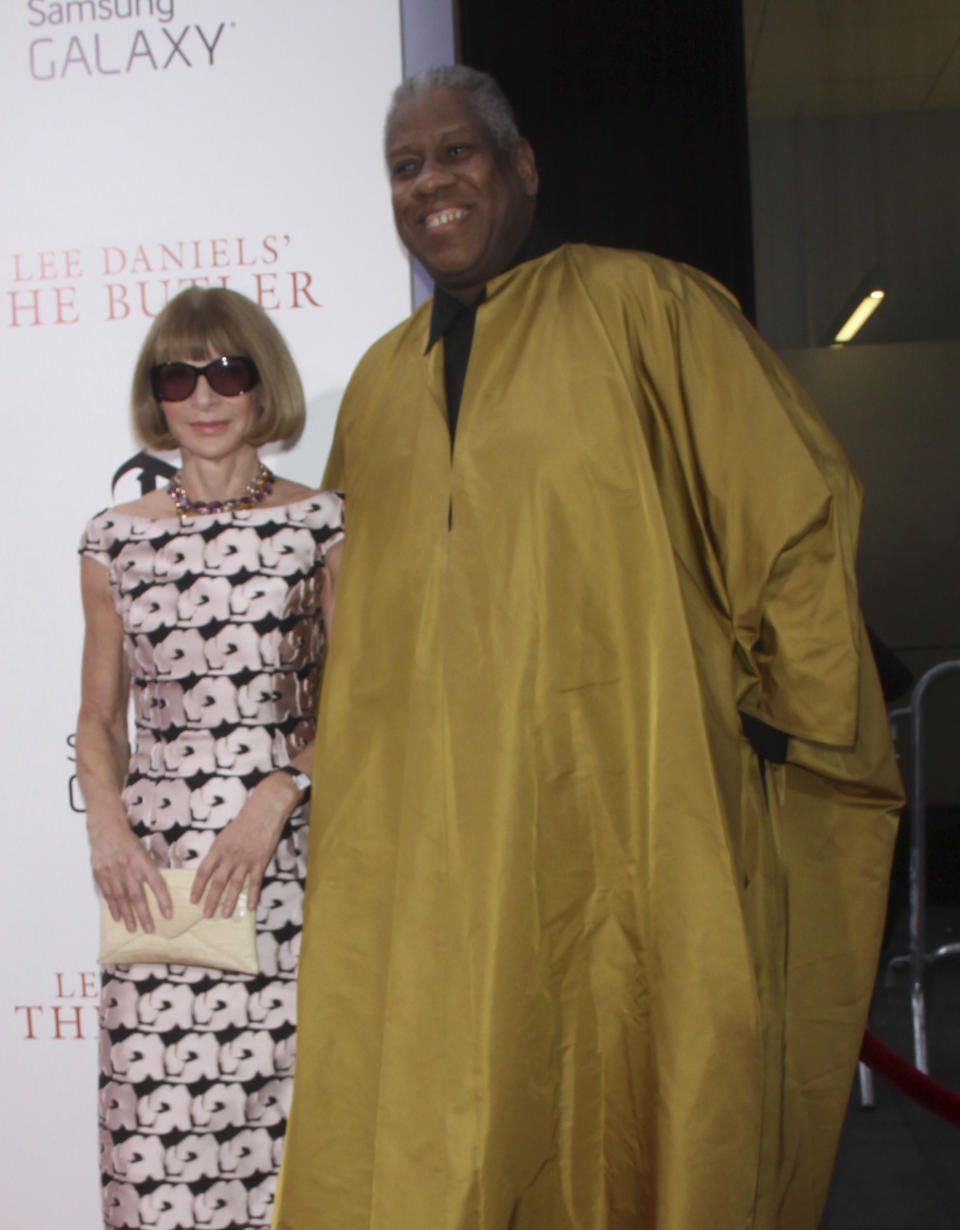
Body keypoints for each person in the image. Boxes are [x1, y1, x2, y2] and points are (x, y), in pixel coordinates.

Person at [273, 67, 902, 1230]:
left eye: (457, 154)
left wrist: (782, 727)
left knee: (641, 1088)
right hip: (444, 844)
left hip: (631, 809)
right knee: (458, 1100)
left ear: (522, 166)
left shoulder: (653, 310)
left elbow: (794, 518)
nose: (432, 183)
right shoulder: (376, 387)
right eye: (406, 168)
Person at [76, 287, 343, 1230]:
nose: (205, 394)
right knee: (154, 1140)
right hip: (155, 879)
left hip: (284, 871)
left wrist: (280, 793)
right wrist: (108, 825)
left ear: (262, 384)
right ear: (157, 394)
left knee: (282, 1147)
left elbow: (361, 702)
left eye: (228, 370)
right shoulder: (116, 539)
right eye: (178, 374)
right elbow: (100, 717)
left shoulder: (326, 526)